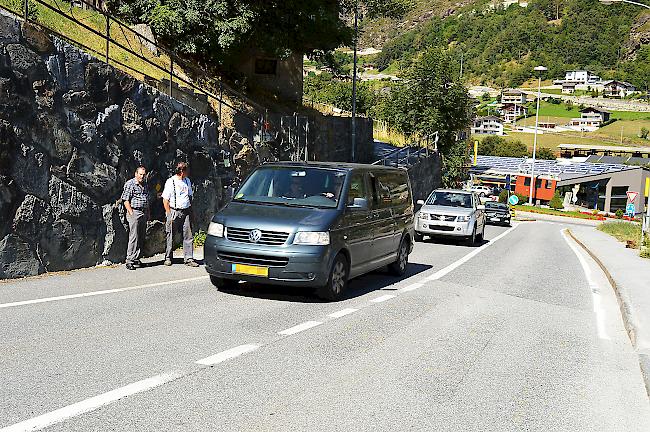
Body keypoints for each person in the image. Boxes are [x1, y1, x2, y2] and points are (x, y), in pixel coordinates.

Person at [162, 162, 199, 267]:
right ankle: (168, 257)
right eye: (187, 170)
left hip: (186, 210)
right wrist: (169, 214)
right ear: (182, 171)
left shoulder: (187, 181)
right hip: (174, 210)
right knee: (170, 235)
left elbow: (190, 197)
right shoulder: (171, 181)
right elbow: (165, 200)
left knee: (188, 235)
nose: (188, 172)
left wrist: (191, 212)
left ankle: (189, 258)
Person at [121, 166, 150, 270]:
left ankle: (136, 258)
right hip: (134, 212)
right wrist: (131, 212)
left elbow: (146, 199)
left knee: (141, 236)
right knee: (134, 236)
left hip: (143, 212)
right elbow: (125, 200)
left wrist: (148, 213)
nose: (142, 176)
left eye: (143, 174)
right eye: (140, 174)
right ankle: (129, 260)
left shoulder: (145, 184)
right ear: (136, 174)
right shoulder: (130, 184)